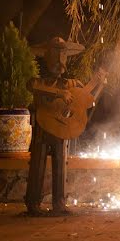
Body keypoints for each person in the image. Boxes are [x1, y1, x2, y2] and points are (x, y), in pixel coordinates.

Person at [26, 37, 104, 216]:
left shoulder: (72, 83)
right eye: (55, 55)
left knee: (61, 165)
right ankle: (33, 203)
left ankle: (59, 203)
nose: (59, 60)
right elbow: (33, 86)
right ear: (47, 57)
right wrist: (59, 93)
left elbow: (85, 100)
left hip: (62, 129)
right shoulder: (39, 82)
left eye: (63, 55)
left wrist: (98, 83)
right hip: (42, 129)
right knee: (37, 165)